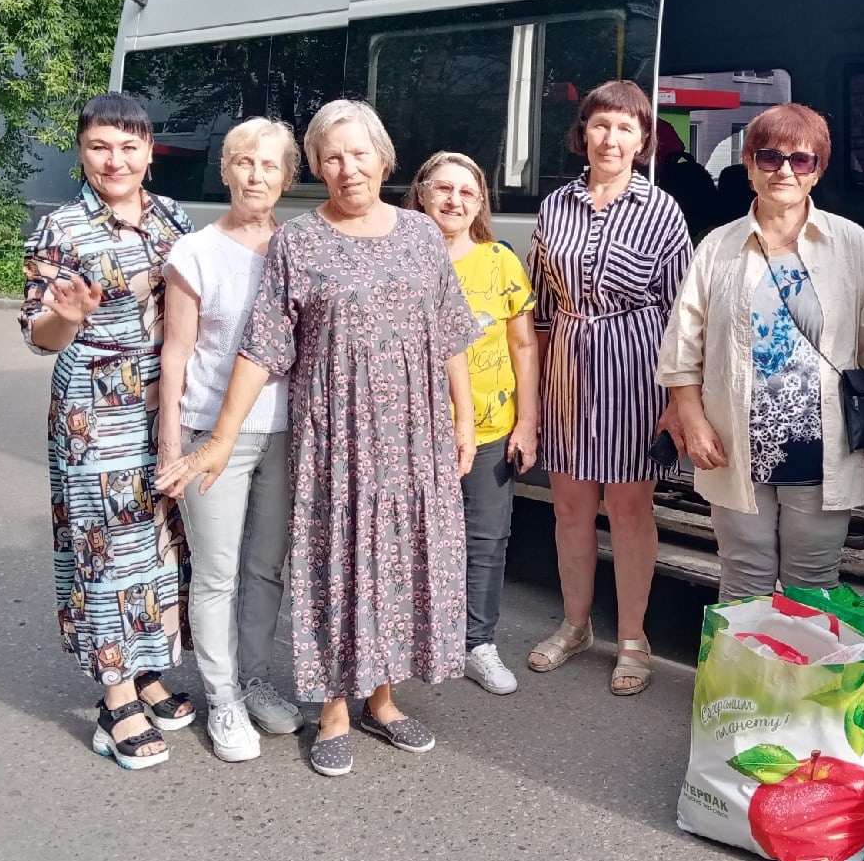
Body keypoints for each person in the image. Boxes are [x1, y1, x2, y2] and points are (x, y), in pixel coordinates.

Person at [157, 100, 480, 778]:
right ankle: (334, 707)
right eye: (333, 157)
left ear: (385, 159)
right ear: (318, 169)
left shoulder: (422, 234)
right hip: (336, 436)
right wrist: (219, 438)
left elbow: (449, 330)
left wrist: (464, 417)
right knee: (337, 565)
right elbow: (263, 346)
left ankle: (383, 700)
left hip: (414, 433)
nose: (347, 168)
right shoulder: (298, 242)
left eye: (359, 154)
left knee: (399, 562)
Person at [657, 103, 864, 601]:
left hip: (824, 444)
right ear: (749, 164)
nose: (785, 171)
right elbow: (683, 344)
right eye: (771, 157)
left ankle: (807, 681)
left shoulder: (850, 244)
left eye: (802, 160)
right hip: (735, 442)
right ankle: (743, 681)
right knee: (743, 578)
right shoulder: (718, 248)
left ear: (817, 172)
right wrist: (692, 419)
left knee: (812, 583)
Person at [20, 92, 196, 769]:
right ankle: (114, 697)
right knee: (105, 553)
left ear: (150, 151)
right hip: (97, 415)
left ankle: (147, 665)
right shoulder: (61, 231)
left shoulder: (172, 219)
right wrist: (71, 316)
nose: (114, 159)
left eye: (128, 146)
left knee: (156, 544)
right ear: (82, 152)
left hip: (164, 409)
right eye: (100, 146)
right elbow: (41, 335)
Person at [525, 80, 693, 696]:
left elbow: (682, 314)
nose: (611, 139)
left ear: (643, 138)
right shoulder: (555, 207)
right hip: (568, 365)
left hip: (635, 370)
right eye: (601, 125)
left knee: (627, 510)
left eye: (626, 128)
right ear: (583, 133)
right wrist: (534, 399)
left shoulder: (662, 210)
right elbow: (540, 312)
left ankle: (632, 638)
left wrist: (679, 401)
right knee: (569, 506)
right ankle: (575, 625)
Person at [158, 117, 304, 762]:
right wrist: (170, 444)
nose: (256, 175)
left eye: (270, 165)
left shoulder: (299, 247)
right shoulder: (194, 254)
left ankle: (254, 680)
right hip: (210, 433)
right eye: (244, 162)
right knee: (216, 574)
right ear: (225, 170)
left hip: (286, 432)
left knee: (266, 569)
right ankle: (222, 700)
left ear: (288, 177)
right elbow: (177, 352)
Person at [406, 151, 540, 696]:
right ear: (421, 194)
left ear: (481, 202)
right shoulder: (400, 260)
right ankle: (414, 639)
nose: (454, 200)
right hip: (415, 428)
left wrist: (527, 421)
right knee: (412, 539)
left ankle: (476, 642)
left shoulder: (500, 262)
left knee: (486, 538)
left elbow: (524, 344)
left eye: (467, 191)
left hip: (489, 428)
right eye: (443, 188)